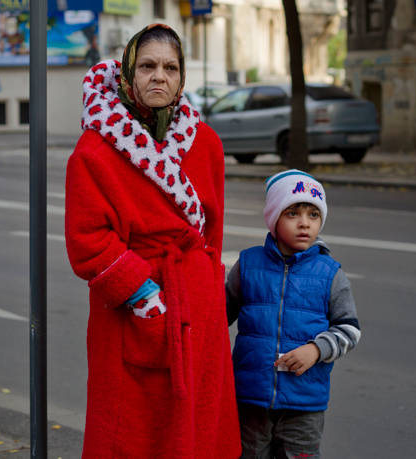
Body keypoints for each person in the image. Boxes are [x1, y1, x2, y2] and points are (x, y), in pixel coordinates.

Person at [64, 24, 240, 458]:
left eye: (170, 67)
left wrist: (206, 290)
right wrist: (144, 297)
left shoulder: (207, 144)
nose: (159, 76)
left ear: (182, 79)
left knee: (196, 427)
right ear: (128, 74)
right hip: (134, 309)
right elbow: (87, 240)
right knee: (132, 430)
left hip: (198, 310)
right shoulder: (94, 151)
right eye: (147, 66)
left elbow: (211, 232)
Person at [226, 169, 361, 458]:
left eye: (313, 215)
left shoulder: (330, 273)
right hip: (250, 398)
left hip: (304, 403)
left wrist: (316, 349)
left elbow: (349, 330)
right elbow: (217, 317)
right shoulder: (248, 265)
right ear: (274, 218)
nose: (304, 224)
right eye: (293, 214)